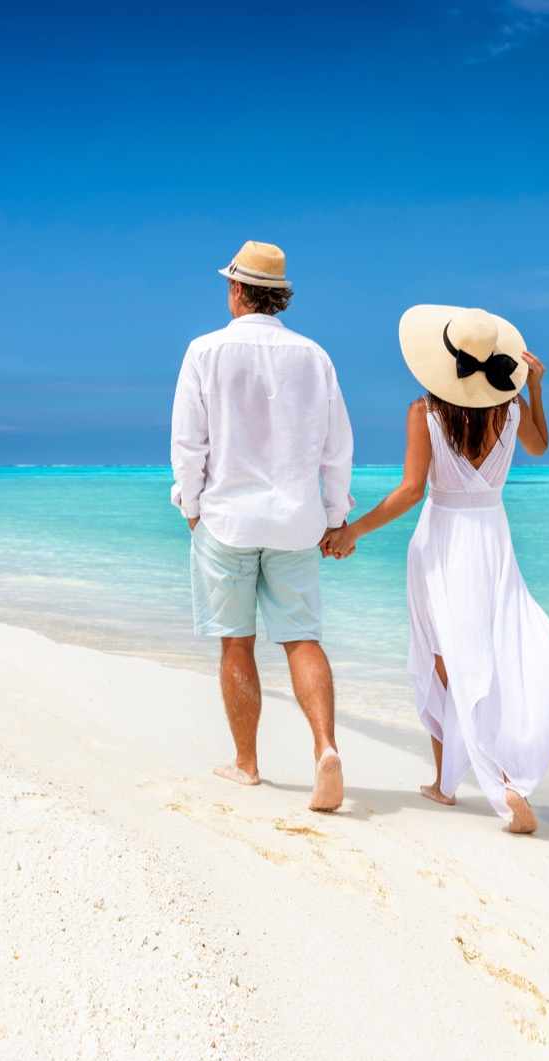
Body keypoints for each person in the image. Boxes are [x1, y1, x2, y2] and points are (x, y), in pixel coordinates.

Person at [323, 306, 549, 833]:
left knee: (445, 659)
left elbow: (412, 491)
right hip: (492, 539)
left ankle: (489, 782)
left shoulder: (425, 412)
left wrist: (354, 531)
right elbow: (541, 446)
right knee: (492, 655)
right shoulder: (510, 409)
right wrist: (535, 388)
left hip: (441, 541)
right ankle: (473, 779)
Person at [170, 240, 355, 812]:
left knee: (236, 642)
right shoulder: (315, 355)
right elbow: (336, 447)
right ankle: (325, 747)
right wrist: (335, 516)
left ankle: (247, 764)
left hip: (227, 518)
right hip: (297, 520)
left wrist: (191, 506)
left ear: (236, 290)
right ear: (278, 296)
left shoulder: (204, 350)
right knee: (302, 637)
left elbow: (188, 441)